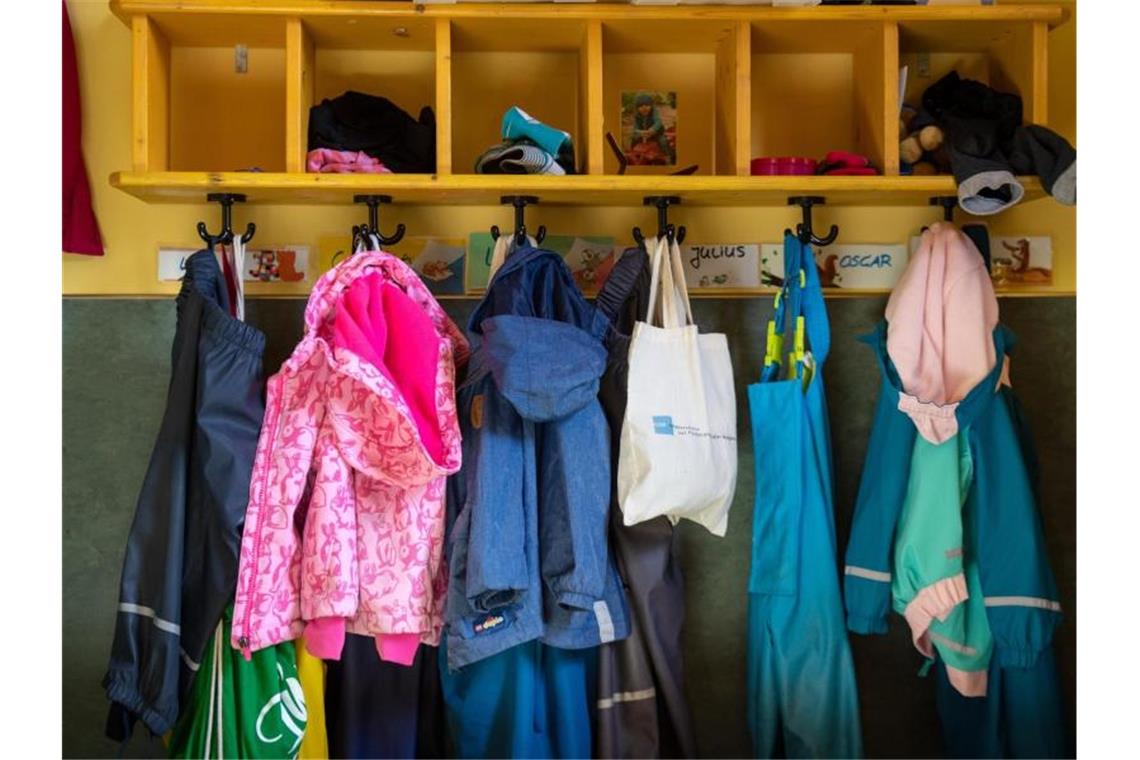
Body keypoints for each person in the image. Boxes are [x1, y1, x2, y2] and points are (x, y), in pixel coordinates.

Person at [628, 92, 675, 165]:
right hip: (644, 134)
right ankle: (633, 154)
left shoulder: (654, 112)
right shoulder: (637, 116)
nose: (644, 108)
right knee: (634, 139)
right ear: (637, 108)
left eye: (647, 105)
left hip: (657, 133)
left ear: (651, 106)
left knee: (663, 141)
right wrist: (640, 132)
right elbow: (635, 128)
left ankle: (667, 156)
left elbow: (658, 122)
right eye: (640, 106)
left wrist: (652, 130)